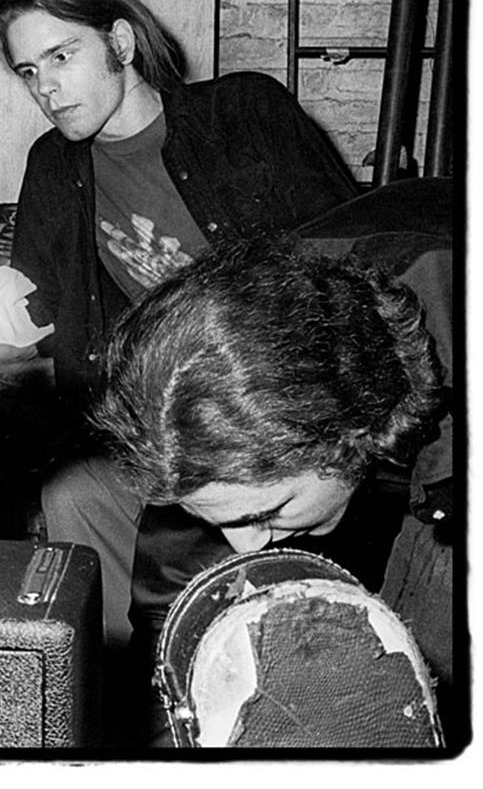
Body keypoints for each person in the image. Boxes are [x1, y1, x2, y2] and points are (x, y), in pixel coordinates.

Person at [0, 0, 361, 647]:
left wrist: (340, 453)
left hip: (277, 419)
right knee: (71, 493)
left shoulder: (244, 112)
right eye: (29, 71)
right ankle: (97, 698)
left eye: (60, 55)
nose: (46, 86)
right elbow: (31, 311)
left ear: (119, 43)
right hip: (160, 429)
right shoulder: (52, 164)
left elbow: (350, 279)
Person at [92, 230, 456, 744]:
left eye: (266, 513)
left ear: (348, 434)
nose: (249, 545)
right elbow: (172, 609)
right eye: (218, 520)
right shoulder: (218, 379)